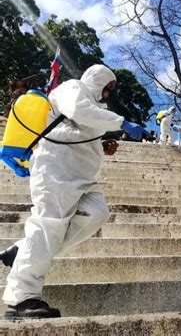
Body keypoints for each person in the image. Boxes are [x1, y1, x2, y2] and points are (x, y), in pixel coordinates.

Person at [0, 64, 149, 319]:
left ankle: (23, 249)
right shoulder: (72, 88)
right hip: (55, 170)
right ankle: (21, 298)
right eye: (107, 85)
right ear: (96, 78)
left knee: (97, 212)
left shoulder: (96, 110)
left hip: (82, 178)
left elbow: (75, 131)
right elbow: (78, 111)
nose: (108, 92)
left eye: (112, 88)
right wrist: (121, 122)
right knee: (48, 227)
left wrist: (102, 143)